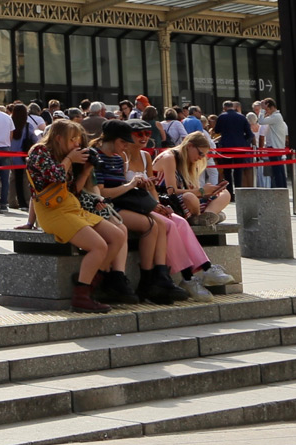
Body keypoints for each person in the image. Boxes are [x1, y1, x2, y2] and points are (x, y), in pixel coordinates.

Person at [23, 118, 129, 313]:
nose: (77, 145)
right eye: (73, 140)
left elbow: (75, 190)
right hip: (52, 211)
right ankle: (82, 296)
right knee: (98, 246)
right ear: (58, 138)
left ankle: (88, 281)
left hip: (72, 206)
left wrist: (87, 169)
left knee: (118, 236)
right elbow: (54, 176)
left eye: (78, 141)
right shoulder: (39, 152)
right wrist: (70, 160)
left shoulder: (66, 156)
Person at [94, 120, 198, 304]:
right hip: (107, 206)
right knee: (151, 225)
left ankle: (155, 276)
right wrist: (131, 185)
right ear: (112, 139)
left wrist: (137, 187)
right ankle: (147, 278)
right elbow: (102, 192)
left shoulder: (118, 157)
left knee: (158, 224)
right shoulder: (97, 157)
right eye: (123, 142)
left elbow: (120, 188)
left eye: (147, 134)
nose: (126, 146)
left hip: (121, 203)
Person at [210, 101, 254, 186]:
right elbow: (249, 134)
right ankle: (238, 189)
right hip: (240, 147)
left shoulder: (222, 117)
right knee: (238, 170)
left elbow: (217, 130)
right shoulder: (241, 117)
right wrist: (243, 141)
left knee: (227, 171)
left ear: (224, 108)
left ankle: (230, 192)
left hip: (226, 146)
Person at [255, 99, 290, 191]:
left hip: (274, 148)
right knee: (279, 170)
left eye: (267, 109)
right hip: (276, 147)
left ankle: (280, 190)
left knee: (277, 171)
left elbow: (261, 121)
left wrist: (262, 110)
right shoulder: (277, 117)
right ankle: (282, 189)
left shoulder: (276, 117)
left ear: (271, 107)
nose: (266, 111)